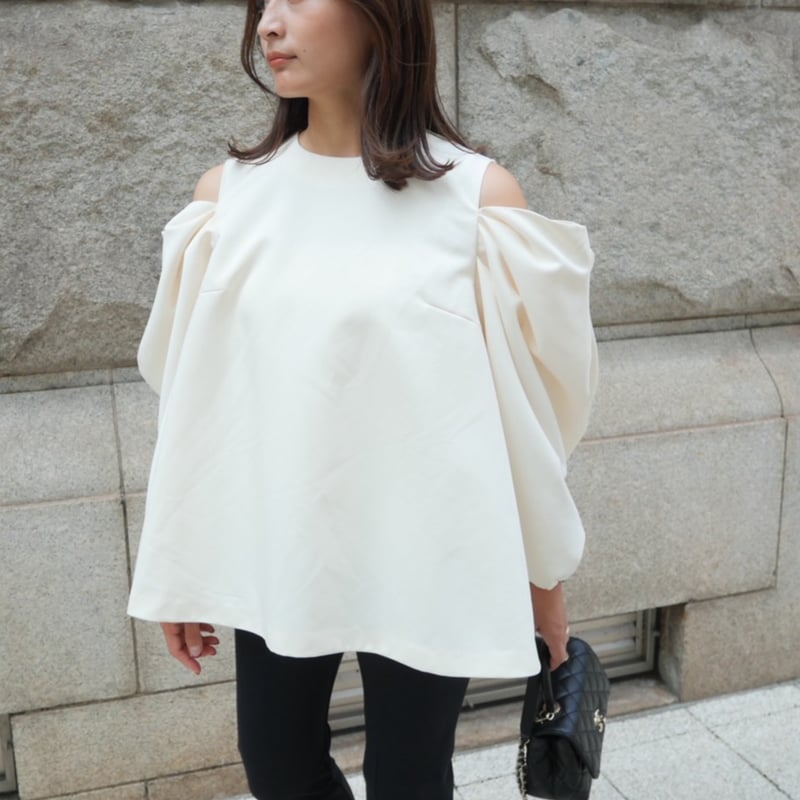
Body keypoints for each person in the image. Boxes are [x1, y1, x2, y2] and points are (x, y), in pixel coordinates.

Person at [127, 0, 599, 798]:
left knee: (408, 780)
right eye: (264, 4)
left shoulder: (479, 202)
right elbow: (200, 413)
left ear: (382, 15)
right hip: (282, 548)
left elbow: (525, 424)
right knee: (276, 766)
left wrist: (544, 585)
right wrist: (186, 570)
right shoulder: (228, 203)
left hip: (429, 553)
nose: (269, 25)